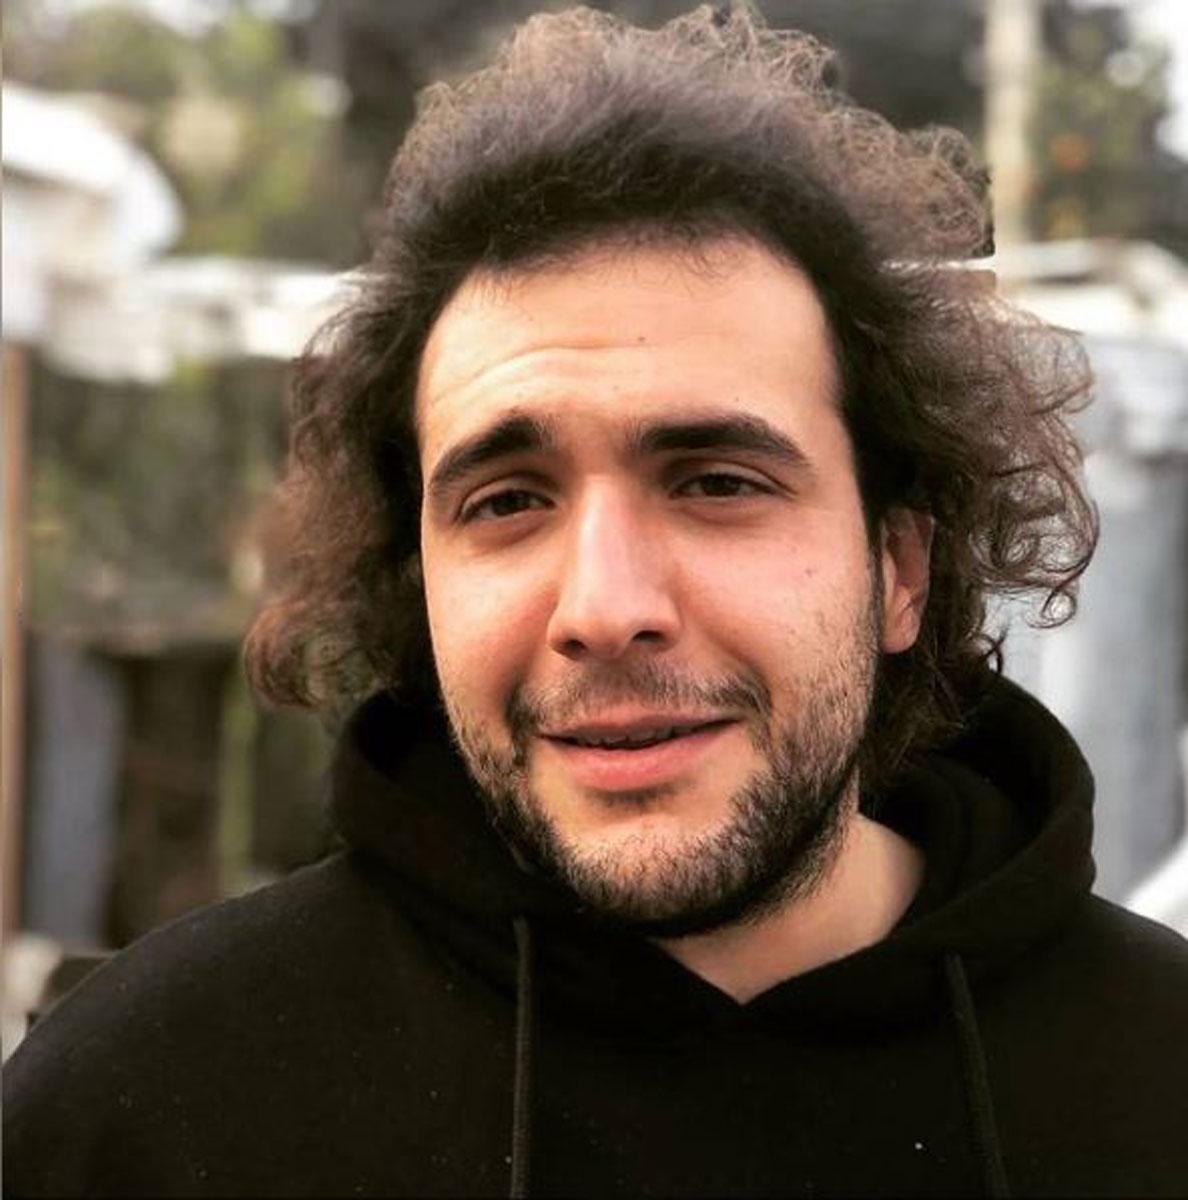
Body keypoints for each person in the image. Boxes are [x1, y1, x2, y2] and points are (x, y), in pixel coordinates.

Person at [6, 6, 1187, 1197]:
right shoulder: (139, 1116)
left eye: (718, 483)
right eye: (508, 502)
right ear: (419, 583)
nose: (605, 608)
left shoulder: (1155, 1083)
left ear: (900, 572)